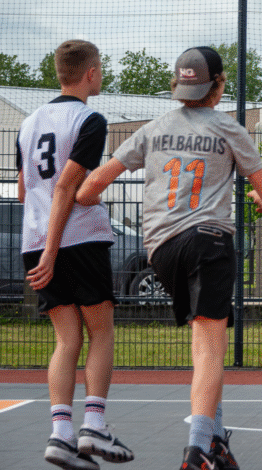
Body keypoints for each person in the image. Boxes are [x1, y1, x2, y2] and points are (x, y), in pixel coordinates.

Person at [77, 46, 262, 470]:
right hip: (208, 240)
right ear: (218, 87)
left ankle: (215, 437)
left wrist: (84, 202)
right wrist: (261, 202)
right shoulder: (228, 129)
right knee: (211, 347)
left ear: (178, 85)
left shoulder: (153, 128)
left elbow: (91, 184)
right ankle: (197, 448)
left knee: (202, 343)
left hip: (162, 248)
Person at [18, 40, 134, 470]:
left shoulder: (28, 123)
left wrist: (42, 248)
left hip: (33, 241)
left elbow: (24, 190)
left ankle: (60, 435)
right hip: (77, 241)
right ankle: (95, 424)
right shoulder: (89, 119)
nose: (101, 76)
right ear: (89, 73)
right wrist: (54, 248)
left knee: (66, 339)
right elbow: (67, 186)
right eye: (100, 70)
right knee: (101, 332)